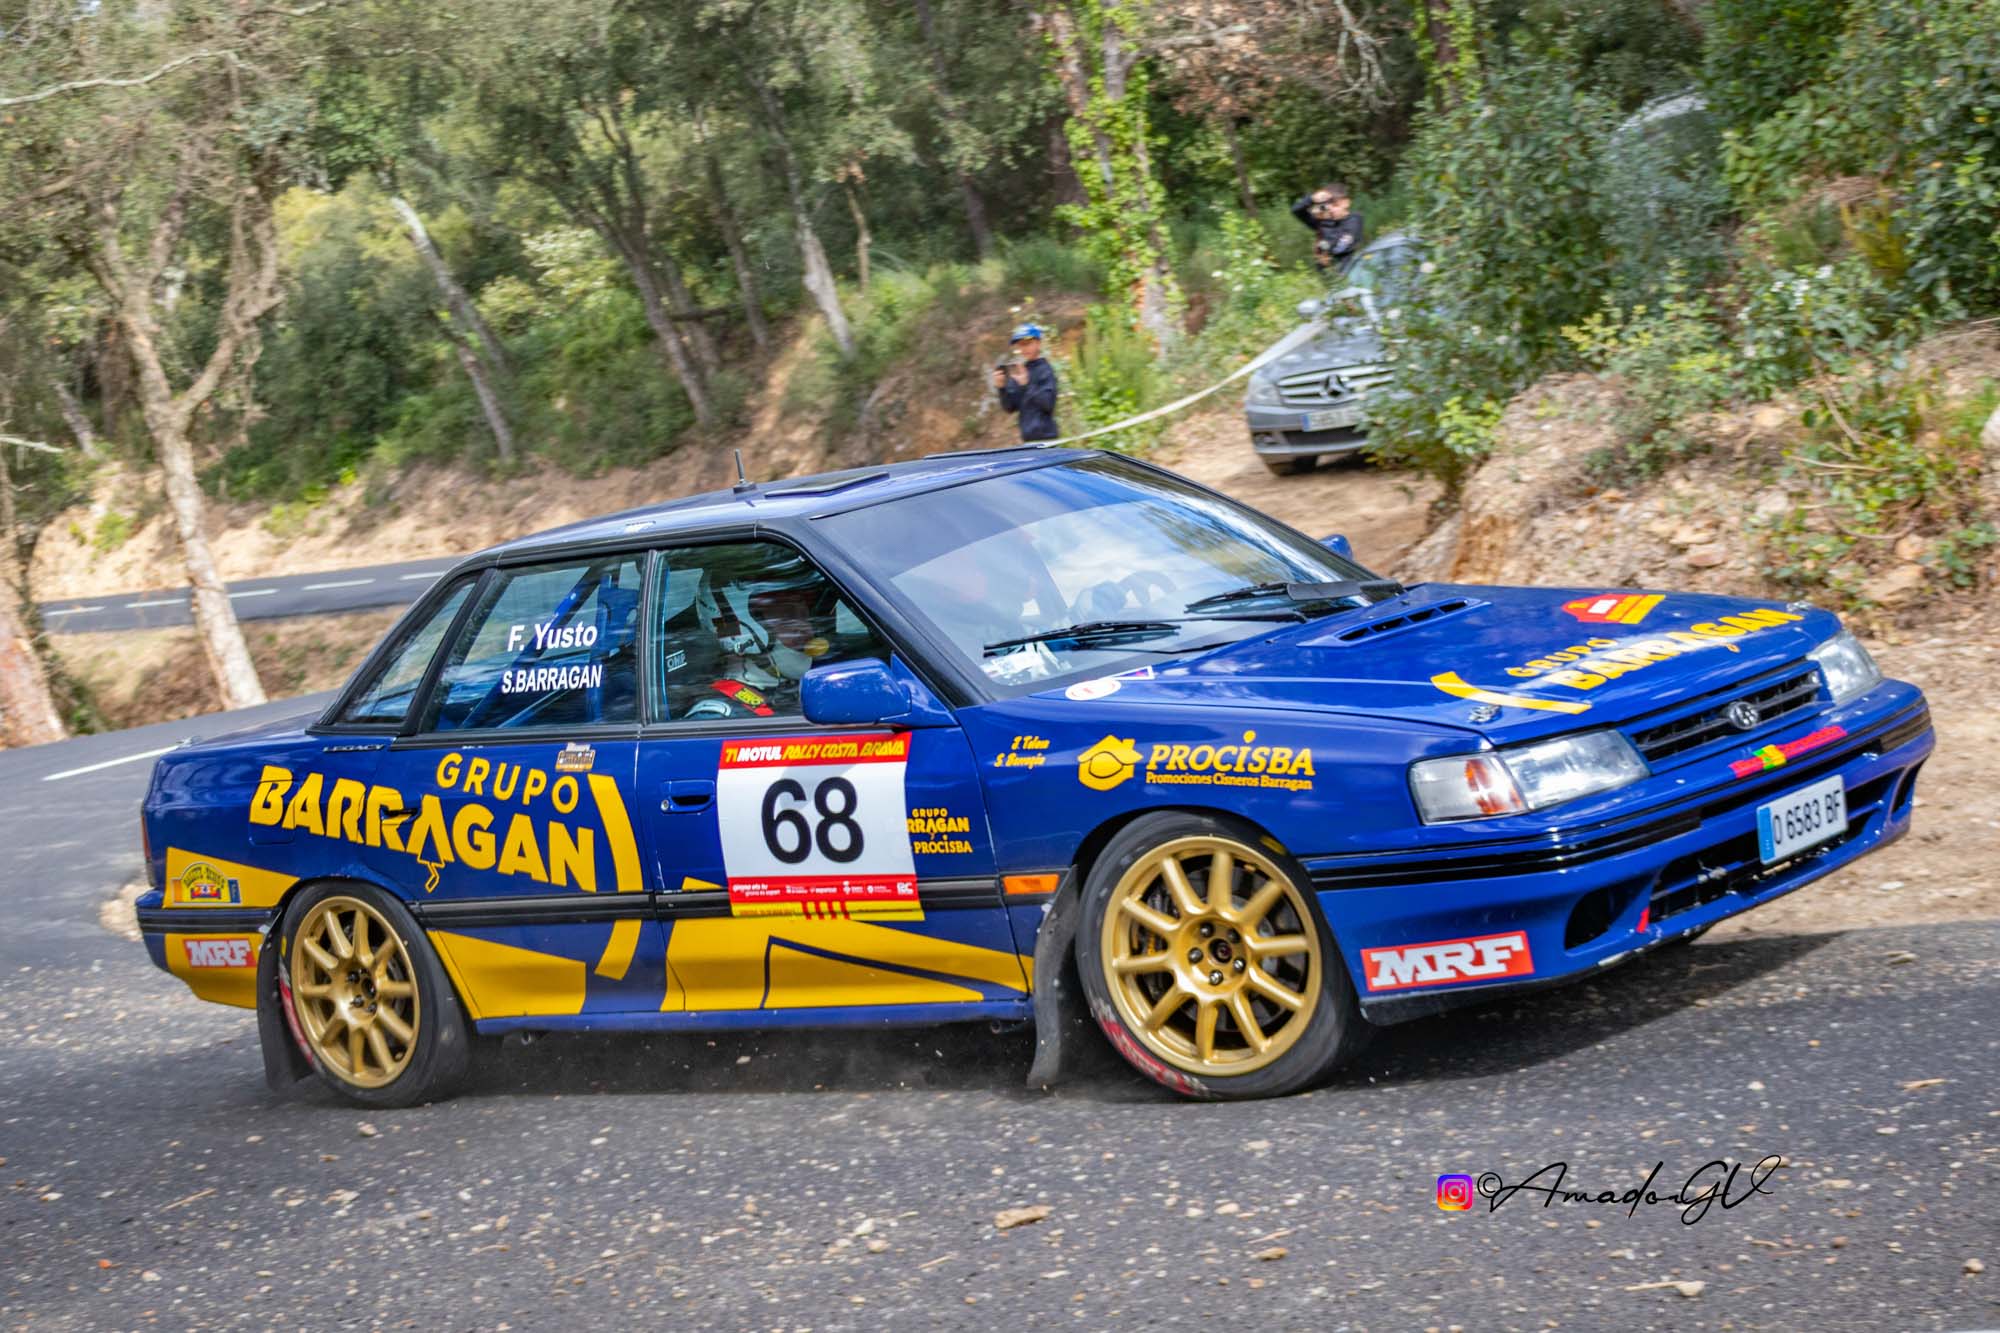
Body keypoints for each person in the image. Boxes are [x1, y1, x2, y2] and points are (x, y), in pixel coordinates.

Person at [993, 322, 1061, 443]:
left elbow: (1048, 404)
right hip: (1027, 440)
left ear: (1038, 343)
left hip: (1047, 439)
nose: (1024, 348)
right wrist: (1001, 387)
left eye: (1027, 343)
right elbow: (1010, 407)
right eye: (1020, 345)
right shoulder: (1021, 371)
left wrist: (1026, 384)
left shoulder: (1045, 370)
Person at [1291, 183, 1364, 273]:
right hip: (1325, 275)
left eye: (1335, 205)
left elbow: (1341, 246)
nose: (1331, 209)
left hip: (1346, 272)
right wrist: (1312, 199)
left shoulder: (1354, 219)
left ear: (1346, 203)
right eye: (1328, 205)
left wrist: (1324, 249)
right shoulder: (1323, 222)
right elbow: (1296, 211)